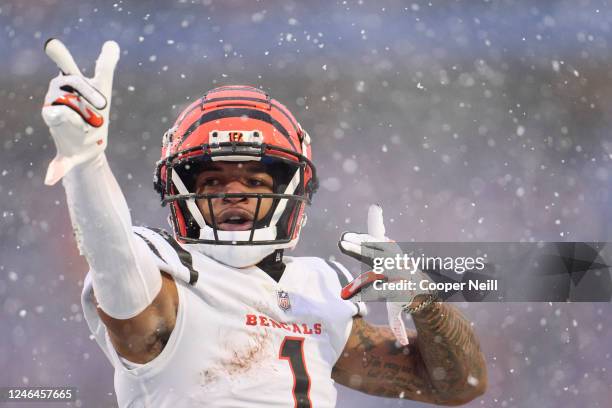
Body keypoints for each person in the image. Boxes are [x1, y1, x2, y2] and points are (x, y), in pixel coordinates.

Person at [42, 39, 487, 407]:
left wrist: (425, 301)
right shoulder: (162, 278)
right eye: (214, 181)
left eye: (253, 179)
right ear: (181, 190)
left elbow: (456, 386)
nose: (235, 193)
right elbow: (112, 260)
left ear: (290, 190)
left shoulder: (317, 287)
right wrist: (87, 164)